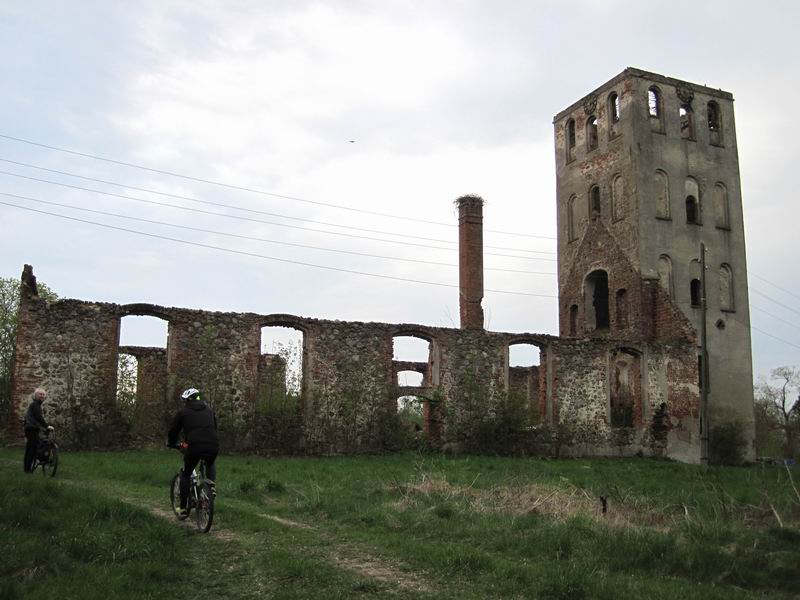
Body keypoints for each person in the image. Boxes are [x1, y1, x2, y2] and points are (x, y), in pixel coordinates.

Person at [167, 388, 219, 517]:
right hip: (213, 444)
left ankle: (183, 508)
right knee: (210, 462)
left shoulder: (183, 412)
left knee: (186, 473)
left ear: (187, 400)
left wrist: (172, 443)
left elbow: (174, 431)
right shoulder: (210, 410)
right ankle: (210, 485)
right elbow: (214, 427)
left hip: (194, 446)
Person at [23, 388, 53, 473]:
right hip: (31, 428)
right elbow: (39, 417)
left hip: (30, 428)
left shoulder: (36, 405)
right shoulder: (36, 404)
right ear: (36, 395)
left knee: (30, 448)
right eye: (40, 394)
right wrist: (47, 426)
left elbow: (32, 418)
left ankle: (27, 468)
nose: (42, 396)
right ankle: (28, 469)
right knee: (32, 448)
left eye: (43, 394)